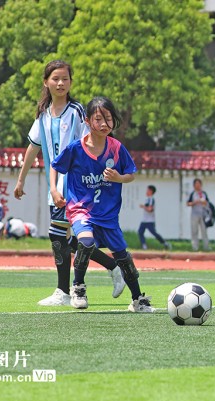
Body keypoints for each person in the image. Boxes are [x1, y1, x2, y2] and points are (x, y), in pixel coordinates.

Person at [13, 60, 124, 306]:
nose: (60, 83)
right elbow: (33, 146)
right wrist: (21, 180)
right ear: (46, 82)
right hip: (54, 185)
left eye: (65, 79)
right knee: (64, 239)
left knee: (57, 235)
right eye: (55, 78)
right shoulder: (43, 114)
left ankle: (64, 291)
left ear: (71, 82)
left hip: (75, 186)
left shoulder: (76, 112)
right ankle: (113, 266)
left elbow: (91, 144)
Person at [51, 96, 153, 313]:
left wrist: (118, 178)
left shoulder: (117, 148)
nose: (104, 124)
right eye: (98, 119)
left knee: (122, 256)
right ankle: (78, 288)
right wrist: (54, 189)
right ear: (88, 121)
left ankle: (138, 300)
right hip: (81, 210)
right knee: (86, 242)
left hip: (108, 215)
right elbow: (56, 165)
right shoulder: (76, 149)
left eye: (108, 118)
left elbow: (131, 174)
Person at [137, 185, 171, 250]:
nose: (146, 191)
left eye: (147, 190)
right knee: (140, 232)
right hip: (144, 220)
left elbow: (150, 209)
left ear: (151, 191)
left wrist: (143, 206)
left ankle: (165, 243)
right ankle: (144, 246)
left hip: (150, 220)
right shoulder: (147, 199)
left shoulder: (151, 199)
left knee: (154, 233)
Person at [186, 178, 210, 251]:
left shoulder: (204, 193)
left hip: (203, 214)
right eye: (196, 184)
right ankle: (195, 247)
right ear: (194, 185)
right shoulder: (192, 194)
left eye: (199, 184)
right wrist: (195, 202)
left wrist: (204, 202)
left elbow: (208, 203)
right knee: (194, 231)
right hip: (194, 214)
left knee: (204, 231)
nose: (198, 185)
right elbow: (188, 203)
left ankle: (206, 247)